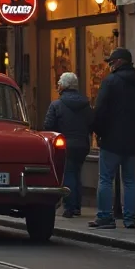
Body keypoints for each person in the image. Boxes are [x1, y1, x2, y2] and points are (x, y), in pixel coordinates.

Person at [89, 47, 135, 230]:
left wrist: (99, 132)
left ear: (119, 62)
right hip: (134, 141)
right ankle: (129, 219)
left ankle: (104, 217)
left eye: (111, 62)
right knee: (130, 180)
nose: (110, 65)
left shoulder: (110, 82)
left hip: (111, 140)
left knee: (105, 179)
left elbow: (99, 111)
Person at [42, 72, 94, 218]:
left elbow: (48, 126)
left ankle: (70, 206)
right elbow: (92, 123)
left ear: (64, 86)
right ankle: (77, 205)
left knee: (69, 173)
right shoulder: (85, 104)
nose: (57, 86)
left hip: (65, 144)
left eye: (59, 83)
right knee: (77, 172)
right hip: (83, 144)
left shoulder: (57, 105)